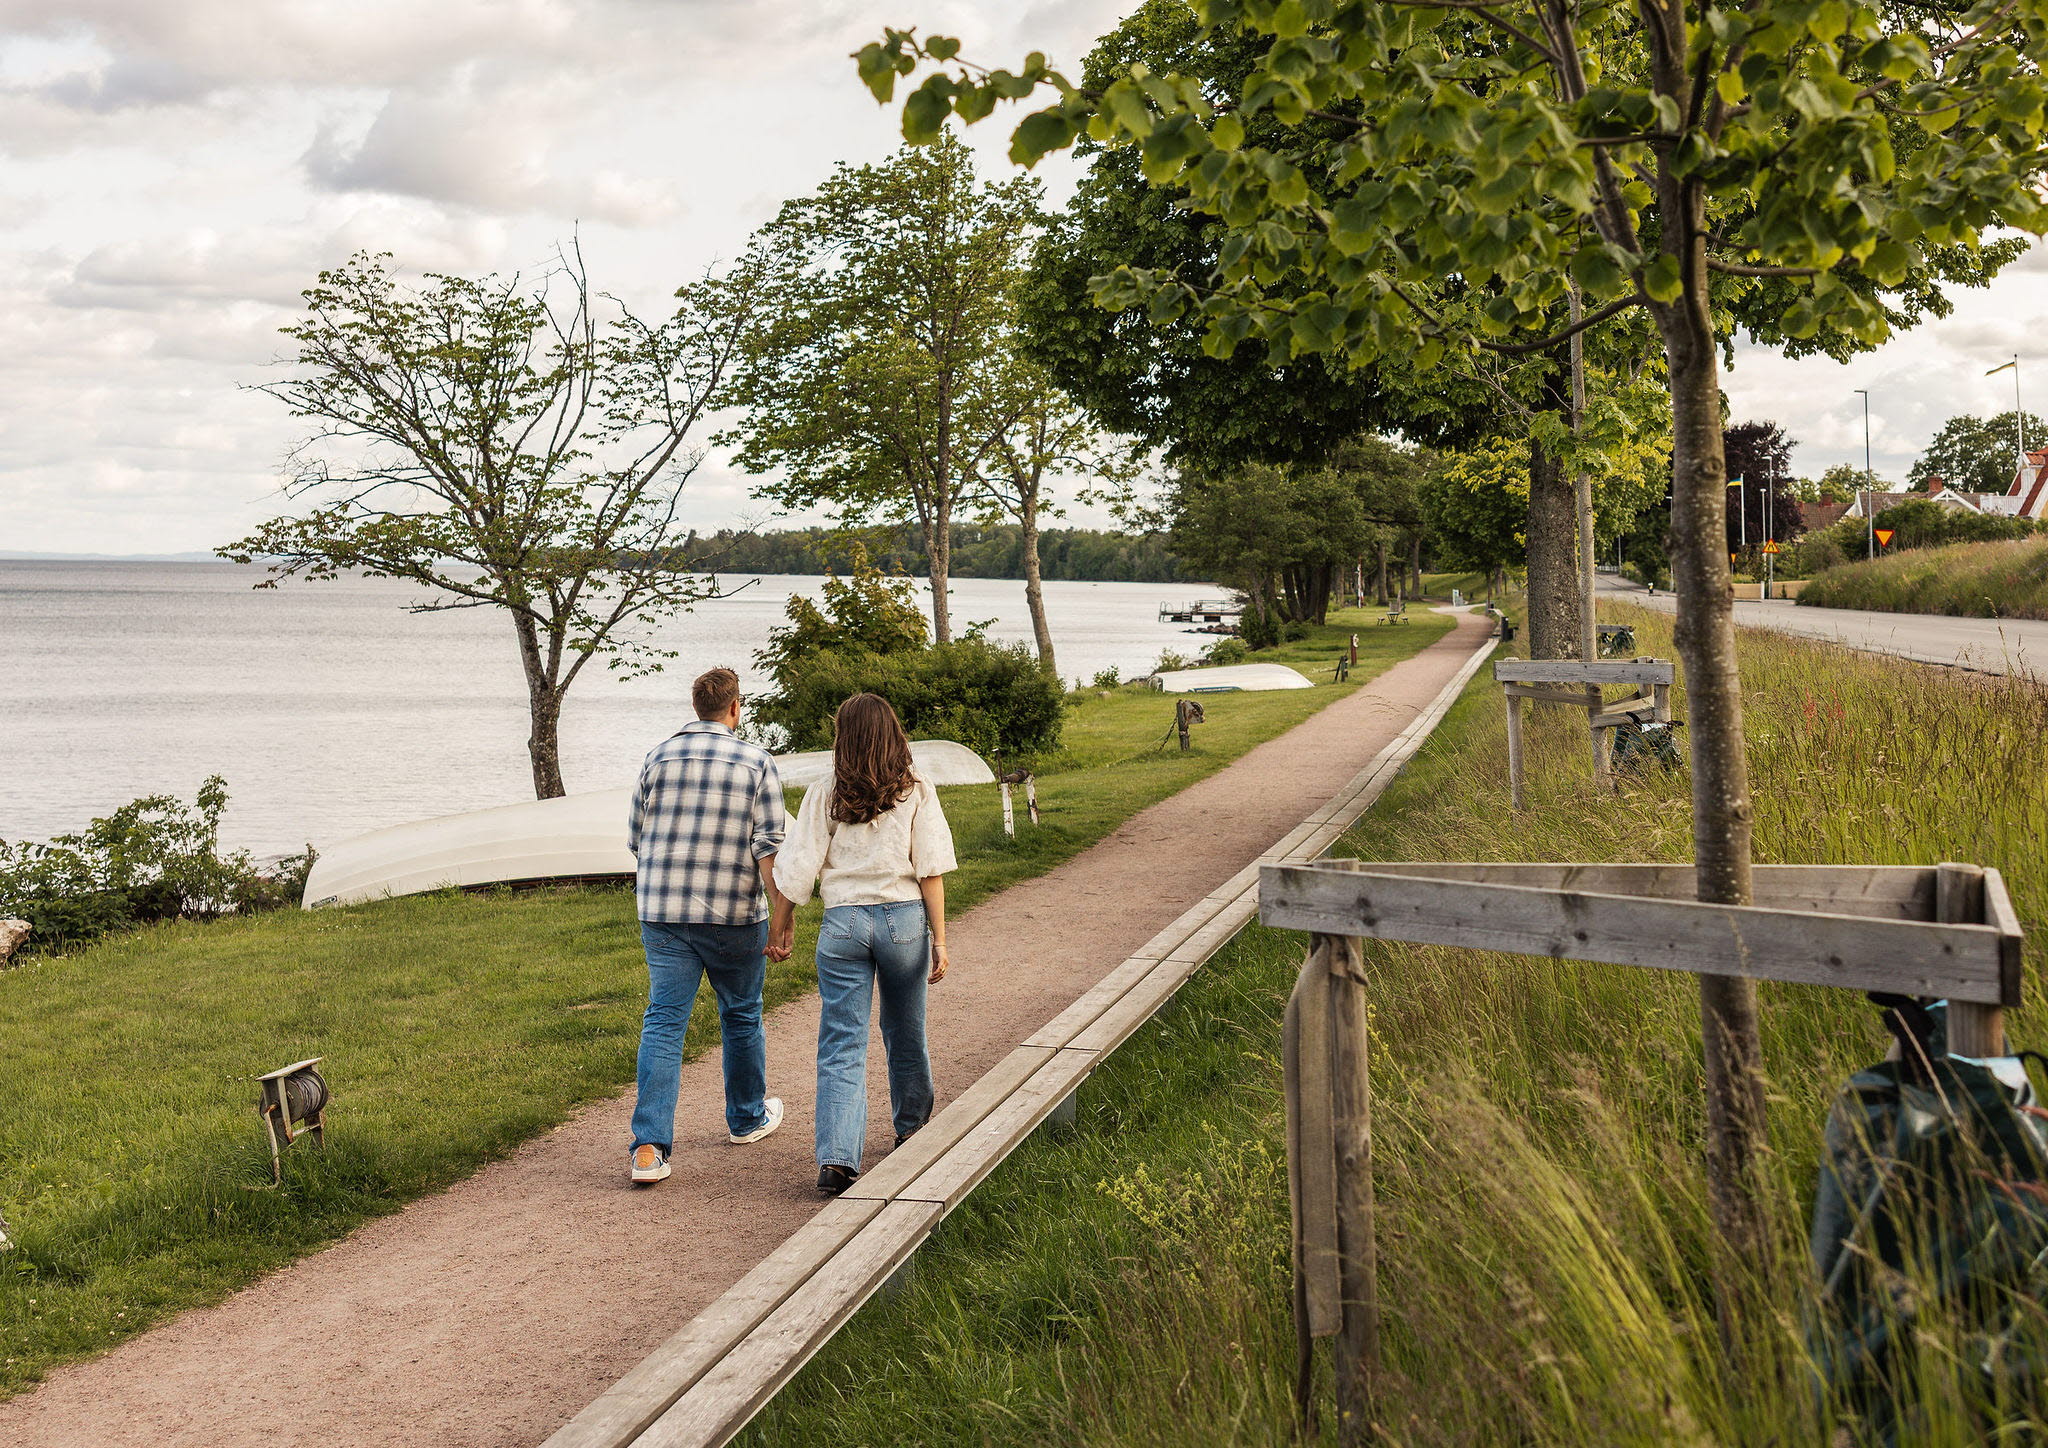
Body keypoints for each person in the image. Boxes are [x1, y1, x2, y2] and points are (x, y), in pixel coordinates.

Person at [772, 693, 956, 1197]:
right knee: (905, 1030)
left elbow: (798, 868)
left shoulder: (825, 791)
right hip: (903, 920)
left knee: (841, 1042)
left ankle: (837, 1161)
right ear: (893, 733)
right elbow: (930, 868)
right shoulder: (916, 788)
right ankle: (912, 1130)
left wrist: (779, 927)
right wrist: (940, 940)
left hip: (843, 926)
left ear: (842, 738)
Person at [625, 666, 795, 1186]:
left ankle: (650, 1148)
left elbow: (636, 837)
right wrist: (780, 919)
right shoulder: (755, 763)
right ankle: (745, 1118)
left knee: (664, 1021)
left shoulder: (657, 756)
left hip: (663, 912)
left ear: (697, 707)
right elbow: (770, 848)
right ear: (735, 708)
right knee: (741, 1015)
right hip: (732, 915)